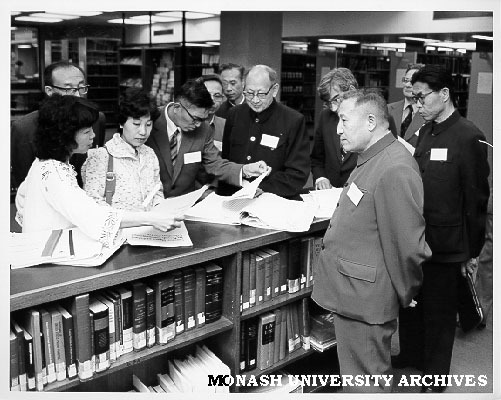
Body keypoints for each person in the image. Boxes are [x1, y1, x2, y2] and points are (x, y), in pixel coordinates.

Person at [311, 89, 430, 393]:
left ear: (371, 121)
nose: (337, 129)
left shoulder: (395, 167)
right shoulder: (373, 157)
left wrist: (406, 292)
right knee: (358, 380)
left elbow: (409, 248)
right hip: (355, 294)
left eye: (344, 120)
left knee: (366, 385)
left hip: (367, 300)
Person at [393, 65, 490, 393]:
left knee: (439, 313)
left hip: (447, 244)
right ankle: (411, 355)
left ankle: (435, 376)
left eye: (421, 97)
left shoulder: (468, 135)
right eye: (414, 98)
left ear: (444, 94)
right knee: (411, 305)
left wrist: (472, 251)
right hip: (417, 237)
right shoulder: (426, 131)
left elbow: (477, 198)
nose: (416, 105)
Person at [15, 95, 183, 247]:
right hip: (50, 257)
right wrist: (150, 218)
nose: (94, 136)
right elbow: (92, 214)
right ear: (65, 135)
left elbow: (22, 198)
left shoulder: (47, 164)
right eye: (87, 131)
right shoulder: (54, 172)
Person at [146, 78, 268, 198]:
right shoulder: (149, 121)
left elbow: (215, 164)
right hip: (150, 203)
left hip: (185, 204)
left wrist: (246, 169)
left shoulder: (204, 129)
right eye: (195, 118)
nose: (199, 124)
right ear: (177, 108)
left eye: (203, 119)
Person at [11, 61, 106, 189]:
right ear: (50, 91)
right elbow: (23, 182)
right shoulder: (24, 128)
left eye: (81, 88)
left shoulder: (97, 119)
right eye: (69, 89)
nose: (78, 95)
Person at [221, 64, 310, 200]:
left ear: (274, 90)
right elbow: (225, 161)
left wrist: (263, 189)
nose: (255, 100)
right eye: (249, 93)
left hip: (273, 198)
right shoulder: (235, 114)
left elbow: (297, 173)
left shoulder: (293, 120)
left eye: (261, 94)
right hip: (233, 195)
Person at [82, 88, 163, 211]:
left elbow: (157, 192)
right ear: (121, 123)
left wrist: (160, 208)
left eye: (148, 124)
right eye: (136, 124)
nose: (143, 132)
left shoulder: (149, 154)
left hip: (151, 227)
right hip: (120, 228)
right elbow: (93, 203)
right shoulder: (101, 156)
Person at [310, 68, 358, 189]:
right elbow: (316, 159)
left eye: (336, 99)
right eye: (328, 103)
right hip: (329, 194)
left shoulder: (375, 117)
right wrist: (320, 178)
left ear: (352, 90)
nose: (333, 108)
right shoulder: (325, 117)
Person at [387, 63, 425, 146]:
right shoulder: (388, 109)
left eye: (413, 81)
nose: (407, 85)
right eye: (406, 80)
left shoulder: (431, 114)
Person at [201, 74, 226, 150]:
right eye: (207, 95)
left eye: (217, 96)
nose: (211, 100)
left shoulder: (226, 126)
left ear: (222, 99)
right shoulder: (186, 124)